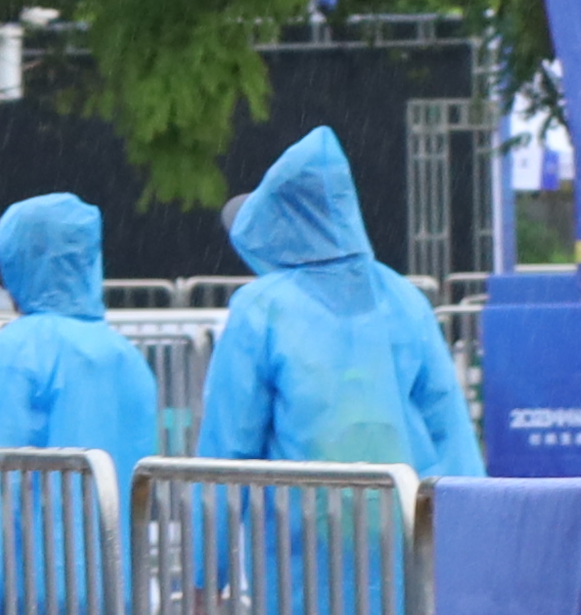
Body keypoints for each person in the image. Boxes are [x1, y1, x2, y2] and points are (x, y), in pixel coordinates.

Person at [196, 125, 480, 474]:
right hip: (399, 505)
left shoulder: (260, 307)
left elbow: (228, 442)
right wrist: (467, 506)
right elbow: (450, 430)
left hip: (297, 507)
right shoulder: (406, 299)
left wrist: (209, 510)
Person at [0, 192, 161, 470]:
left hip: (39, 501)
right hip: (115, 501)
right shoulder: (128, 356)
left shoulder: (12, 351)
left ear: (24, 262)